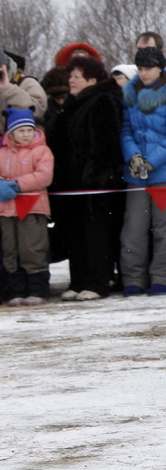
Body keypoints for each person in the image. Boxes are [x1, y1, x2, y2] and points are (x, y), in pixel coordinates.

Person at [49, 54, 126, 300]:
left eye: (76, 76)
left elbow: (105, 143)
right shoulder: (76, 102)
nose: (70, 80)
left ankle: (97, 282)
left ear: (92, 80)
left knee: (96, 234)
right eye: (70, 75)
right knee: (75, 233)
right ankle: (79, 280)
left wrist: (95, 177)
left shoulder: (103, 100)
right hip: (71, 184)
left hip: (95, 184)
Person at [118, 46, 166, 296]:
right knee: (133, 229)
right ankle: (133, 278)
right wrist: (134, 156)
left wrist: (151, 162)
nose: (144, 73)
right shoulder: (131, 94)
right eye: (140, 69)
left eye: (149, 68)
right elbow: (126, 130)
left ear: (160, 68)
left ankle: (163, 277)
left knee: (164, 229)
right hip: (136, 174)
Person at [0, 109, 54, 305]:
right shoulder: (2, 153)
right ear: (11, 133)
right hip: (6, 210)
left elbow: (44, 176)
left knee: (32, 248)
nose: (26, 134)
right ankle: (16, 290)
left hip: (33, 209)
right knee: (10, 249)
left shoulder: (42, 151)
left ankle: (37, 290)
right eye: (21, 131)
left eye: (29, 130)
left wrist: (16, 184)